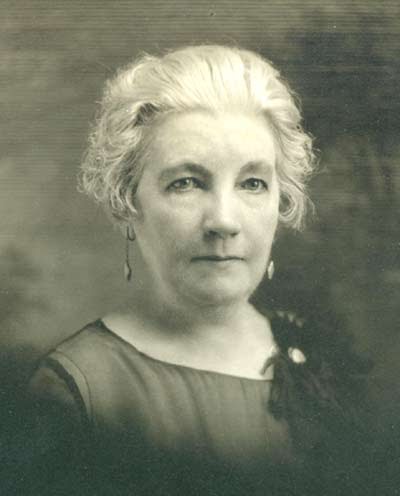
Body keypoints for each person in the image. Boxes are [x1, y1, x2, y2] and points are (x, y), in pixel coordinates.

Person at [21, 45, 369, 495]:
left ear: (280, 202)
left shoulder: (316, 358)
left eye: (252, 183)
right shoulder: (76, 388)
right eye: (186, 183)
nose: (223, 220)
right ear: (127, 205)